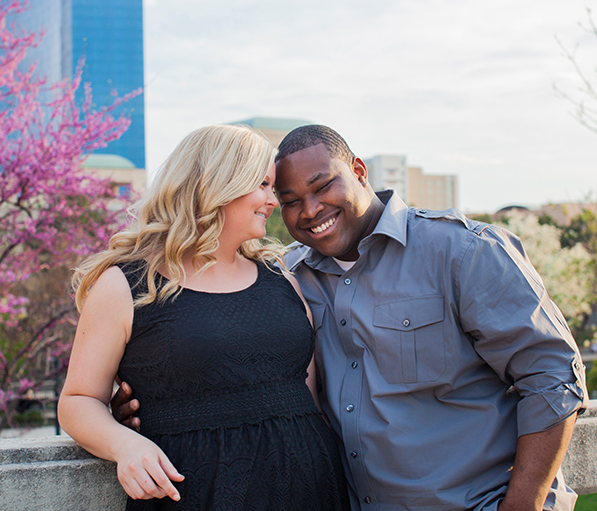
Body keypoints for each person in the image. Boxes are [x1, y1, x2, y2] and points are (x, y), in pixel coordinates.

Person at [114, 124, 588, 511]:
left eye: (322, 187)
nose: (311, 210)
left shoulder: (462, 252)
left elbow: (553, 378)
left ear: (359, 170)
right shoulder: (289, 280)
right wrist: (149, 404)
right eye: (291, 199)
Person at [58, 125, 350, 510]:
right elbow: (78, 400)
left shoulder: (284, 281)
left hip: (312, 492)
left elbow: (307, 398)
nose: (273, 201)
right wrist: (123, 443)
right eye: (262, 185)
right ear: (218, 183)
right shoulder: (127, 284)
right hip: (194, 495)